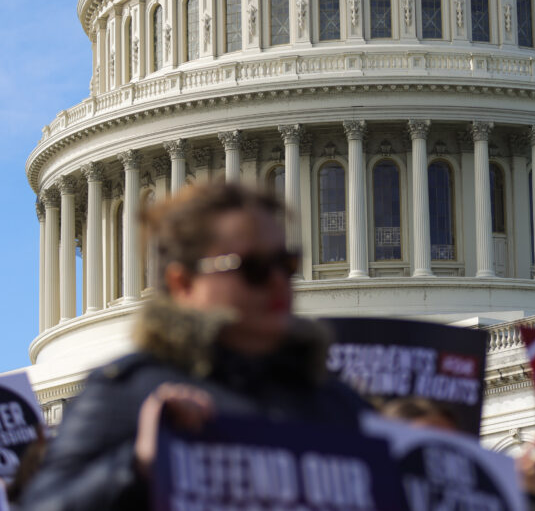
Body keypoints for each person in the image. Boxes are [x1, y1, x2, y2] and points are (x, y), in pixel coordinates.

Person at [21, 183, 371, 510]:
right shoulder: (129, 393)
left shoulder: (337, 403)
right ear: (183, 283)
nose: (279, 282)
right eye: (253, 269)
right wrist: (137, 464)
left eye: (286, 264)